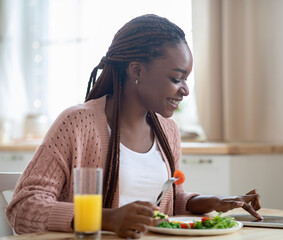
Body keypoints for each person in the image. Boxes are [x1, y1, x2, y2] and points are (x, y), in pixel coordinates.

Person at [6, 14, 262, 239]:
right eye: (176, 78)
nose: (185, 90)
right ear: (137, 70)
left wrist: (214, 202)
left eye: (186, 79)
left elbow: (169, 203)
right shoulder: (77, 123)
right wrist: (107, 219)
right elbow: (23, 208)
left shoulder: (167, 130)